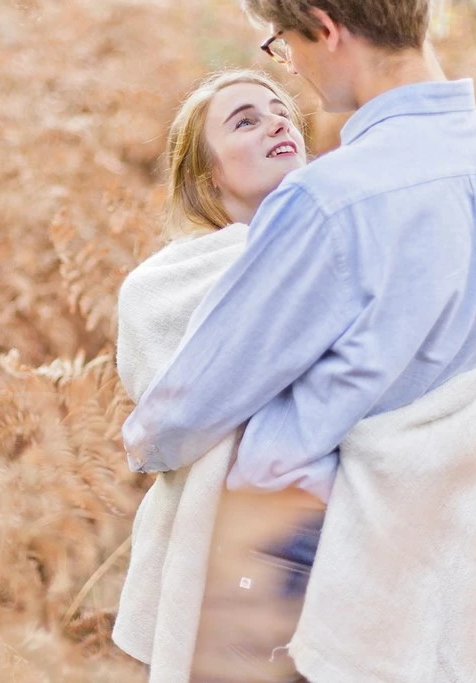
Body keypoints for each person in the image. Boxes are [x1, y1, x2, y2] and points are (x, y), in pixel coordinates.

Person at [122, 0, 476, 681]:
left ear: (327, 30)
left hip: (288, 544)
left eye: (283, 44)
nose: (290, 68)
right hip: (437, 529)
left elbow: (187, 407)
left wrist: (144, 442)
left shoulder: (330, 199)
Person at [111, 68, 318, 683]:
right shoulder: (161, 286)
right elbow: (163, 422)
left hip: (335, 538)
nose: (278, 122)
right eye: (245, 120)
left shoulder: (334, 253)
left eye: (282, 113)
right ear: (209, 175)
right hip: (231, 551)